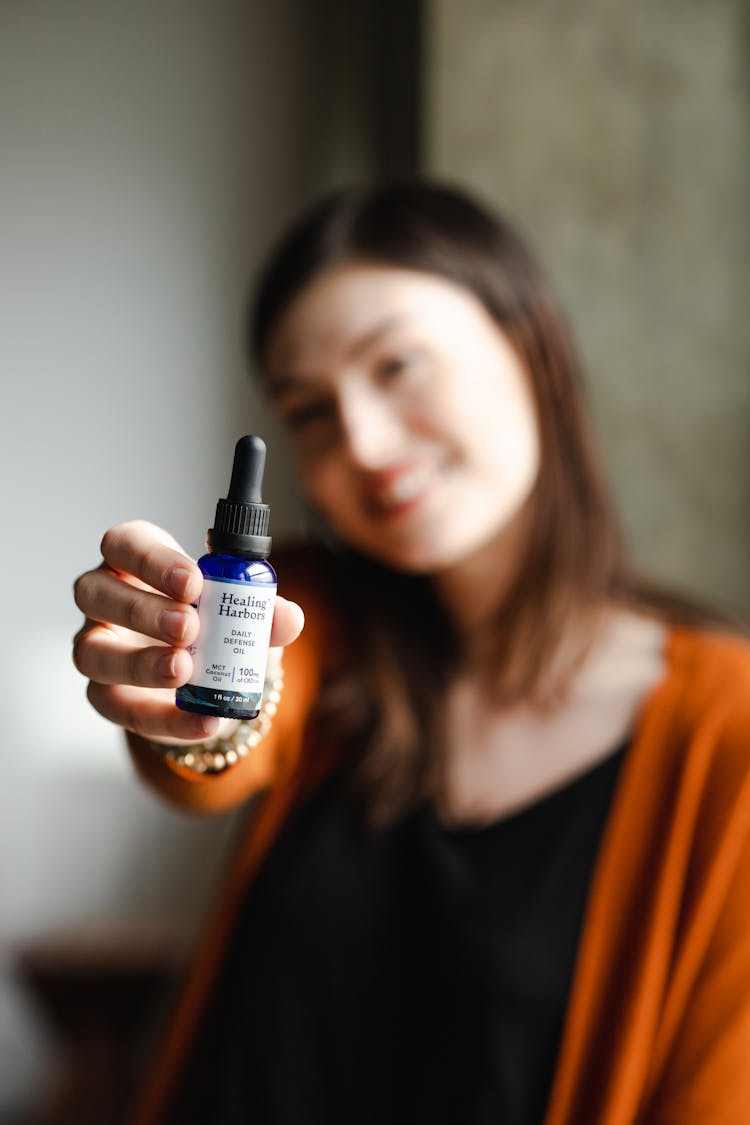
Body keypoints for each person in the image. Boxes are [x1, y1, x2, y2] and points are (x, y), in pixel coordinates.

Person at [72, 180, 750, 1125]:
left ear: (533, 345)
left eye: (395, 364)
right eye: (309, 410)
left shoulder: (727, 734)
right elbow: (223, 742)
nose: (364, 437)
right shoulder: (311, 616)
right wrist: (194, 710)